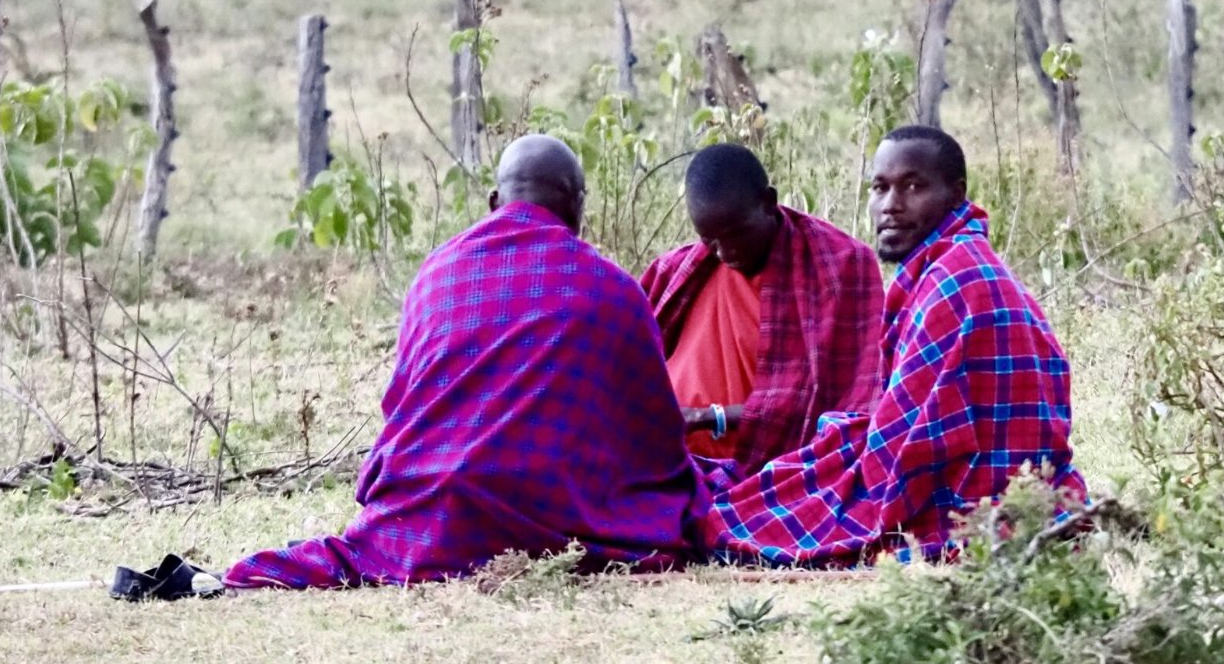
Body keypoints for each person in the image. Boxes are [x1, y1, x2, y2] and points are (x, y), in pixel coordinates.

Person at [225, 135, 711, 588]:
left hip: (434, 516)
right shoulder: (612, 289)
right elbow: (654, 438)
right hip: (561, 516)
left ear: (494, 202)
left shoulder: (436, 274)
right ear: (578, 204)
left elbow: (402, 407)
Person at [704, 124, 1084, 565]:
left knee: (742, 520)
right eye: (880, 188)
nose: (890, 205)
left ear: (956, 193)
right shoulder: (951, 263)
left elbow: (902, 451)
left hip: (975, 492)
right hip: (1013, 482)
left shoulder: (957, 281)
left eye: (913, 187)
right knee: (798, 472)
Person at [639, 143, 884, 471]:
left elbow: (849, 403)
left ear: (769, 202)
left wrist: (708, 417)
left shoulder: (839, 266)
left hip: (778, 470)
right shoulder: (674, 272)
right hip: (671, 460)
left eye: (736, 235)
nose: (725, 252)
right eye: (709, 240)